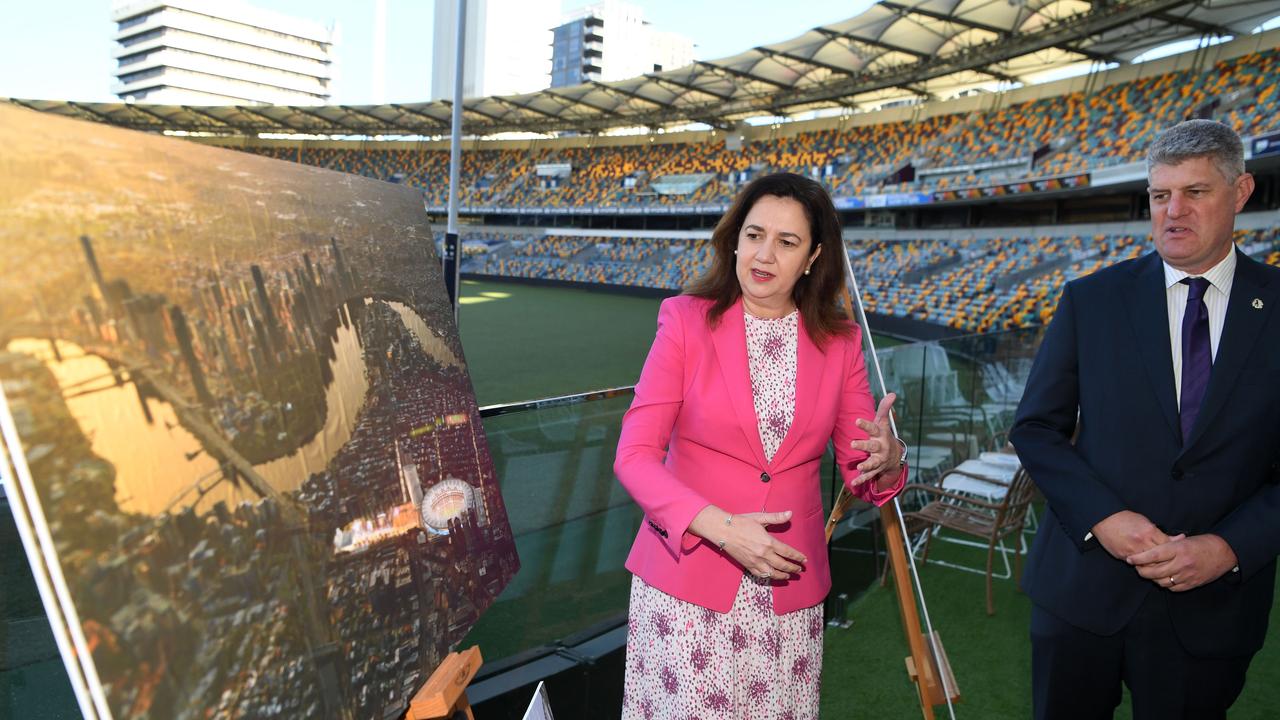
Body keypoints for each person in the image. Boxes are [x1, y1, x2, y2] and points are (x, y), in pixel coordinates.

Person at [1010, 119, 1279, 719]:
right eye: (1161, 196)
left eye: (1196, 192)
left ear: (1240, 193)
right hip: (1082, 592)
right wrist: (1102, 517)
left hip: (1210, 610)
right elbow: (1035, 428)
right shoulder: (1091, 298)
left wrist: (1228, 547)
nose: (1173, 212)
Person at [614, 172, 907, 718]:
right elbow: (634, 457)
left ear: (814, 256)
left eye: (787, 241)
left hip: (788, 597)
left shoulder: (839, 343)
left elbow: (861, 471)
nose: (763, 254)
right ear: (735, 239)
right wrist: (723, 529)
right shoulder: (684, 321)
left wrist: (886, 462)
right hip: (686, 588)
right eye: (754, 235)